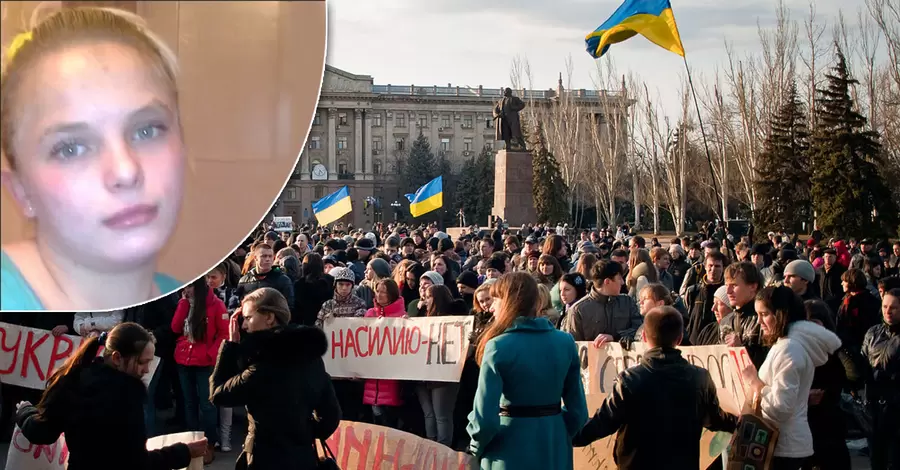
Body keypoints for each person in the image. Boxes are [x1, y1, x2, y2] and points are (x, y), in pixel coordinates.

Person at [0, 7, 186, 310]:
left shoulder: (187, 300)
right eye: (71, 148)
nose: (126, 171)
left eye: (147, 130)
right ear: (19, 190)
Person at [15, 323, 208, 469]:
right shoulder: (127, 397)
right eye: (142, 362)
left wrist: (25, 411)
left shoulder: (73, 380)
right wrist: (184, 452)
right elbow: (136, 462)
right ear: (117, 358)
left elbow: (42, 431)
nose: (146, 370)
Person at [572, 306, 738, 469]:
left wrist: (560, 431)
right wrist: (739, 421)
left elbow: (601, 424)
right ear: (679, 339)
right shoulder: (700, 378)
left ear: (643, 336)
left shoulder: (630, 380)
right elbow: (715, 420)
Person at [210, 287, 341, 469]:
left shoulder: (264, 366)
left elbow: (218, 394)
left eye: (248, 318)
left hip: (265, 458)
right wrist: (303, 432)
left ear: (269, 317)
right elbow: (331, 415)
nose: (244, 325)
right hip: (303, 458)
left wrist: (230, 347)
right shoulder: (311, 356)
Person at [467, 272, 588, 469]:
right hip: (553, 446)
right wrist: (556, 430)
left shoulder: (498, 346)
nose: (492, 308)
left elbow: (485, 421)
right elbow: (578, 412)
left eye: (496, 299)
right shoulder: (565, 342)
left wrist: (475, 448)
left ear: (508, 302)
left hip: (508, 450)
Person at [740, 286, 841, 470]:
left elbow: (780, 408)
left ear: (781, 315)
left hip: (784, 447)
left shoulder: (789, 350)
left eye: (764, 314)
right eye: (758, 314)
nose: (759, 321)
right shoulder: (787, 345)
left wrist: (754, 382)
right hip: (784, 443)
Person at [171, 277, 228, 462]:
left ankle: (208, 443)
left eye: (190, 286)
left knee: (207, 404)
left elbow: (223, 333)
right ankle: (192, 442)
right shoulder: (185, 303)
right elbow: (175, 327)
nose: (186, 290)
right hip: (184, 359)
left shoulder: (216, 305)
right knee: (189, 403)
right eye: (185, 286)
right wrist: (182, 304)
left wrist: (212, 354)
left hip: (205, 361)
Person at [861, 288, 900, 470]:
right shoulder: (873, 333)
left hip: (896, 407)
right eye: (885, 306)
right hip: (873, 406)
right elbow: (863, 361)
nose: (888, 311)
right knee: (876, 458)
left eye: (894, 307)